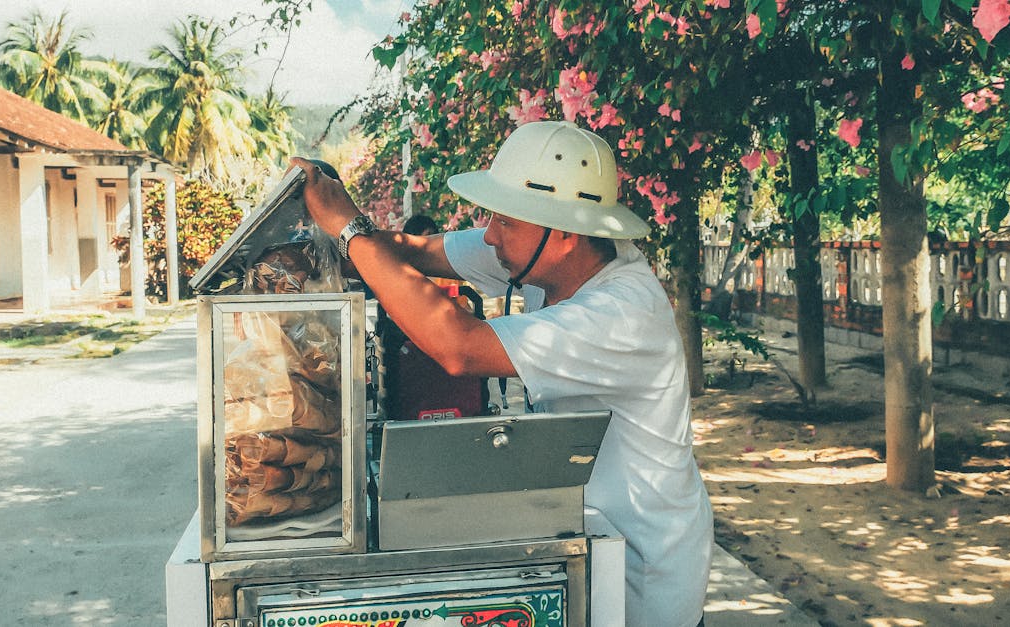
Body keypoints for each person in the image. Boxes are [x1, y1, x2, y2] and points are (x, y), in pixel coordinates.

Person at [291, 120, 713, 627]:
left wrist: (350, 229)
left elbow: (458, 348)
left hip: (642, 571)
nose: (490, 234)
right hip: (584, 530)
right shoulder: (556, 261)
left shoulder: (621, 313)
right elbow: (419, 251)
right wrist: (340, 221)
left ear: (561, 232)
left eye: (506, 220)